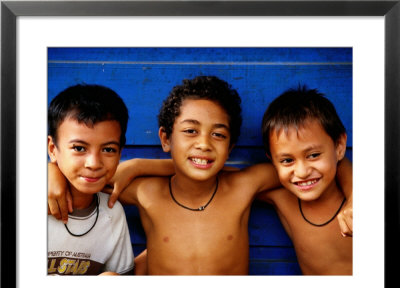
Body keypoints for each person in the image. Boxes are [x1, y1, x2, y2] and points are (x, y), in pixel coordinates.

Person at [49, 76, 352, 275]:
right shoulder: (145, 192)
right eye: (191, 131)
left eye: (218, 135)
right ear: (165, 139)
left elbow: (326, 165)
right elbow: (86, 177)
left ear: (231, 146)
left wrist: (356, 196)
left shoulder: (245, 185)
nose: (204, 144)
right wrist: (50, 172)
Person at [256, 86, 353, 275]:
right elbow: (223, 179)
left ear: (340, 147)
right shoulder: (282, 198)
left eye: (314, 155)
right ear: (272, 161)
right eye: (287, 160)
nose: (301, 172)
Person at [47, 84, 135, 275]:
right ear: (53, 149)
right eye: (79, 148)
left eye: (108, 150)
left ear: (120, 153)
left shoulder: (112, 214)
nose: (94, 163)